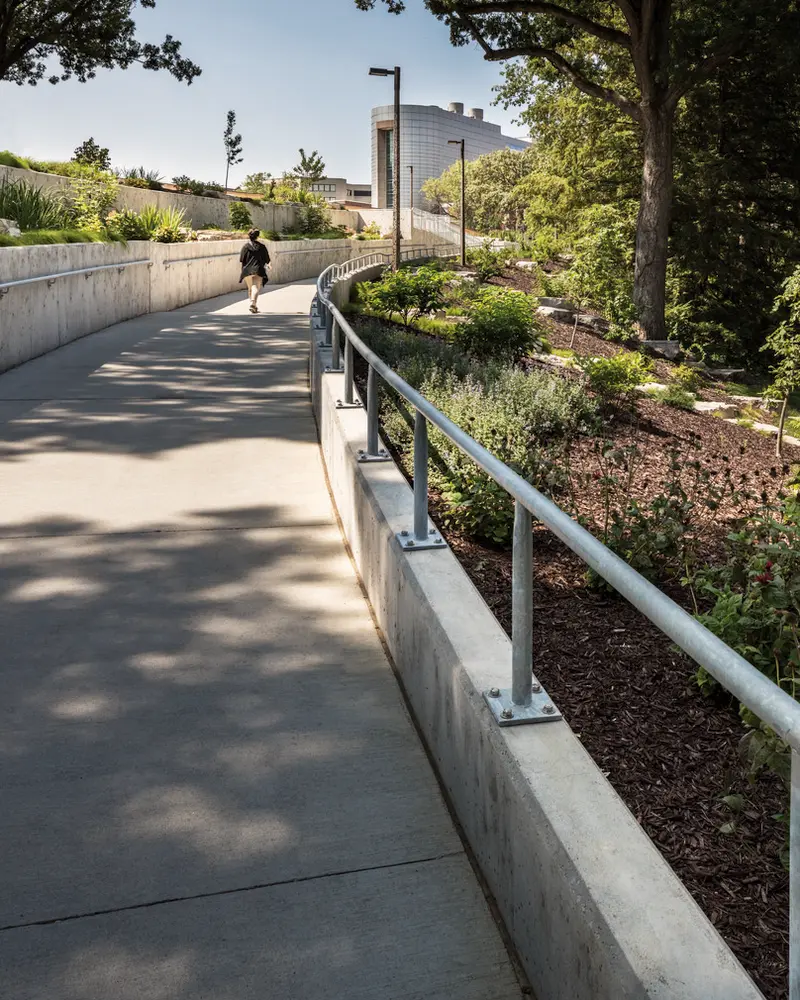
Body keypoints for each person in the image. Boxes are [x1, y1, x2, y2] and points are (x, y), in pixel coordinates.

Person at [239, 229, 270, 313]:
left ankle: (254, 306)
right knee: (255, 287)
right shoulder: (262, 247)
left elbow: (242, 260)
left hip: (247, 270)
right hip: (258, 270)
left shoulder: (245, 247)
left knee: (250, 288)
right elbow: (267, 259)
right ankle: (253, 303)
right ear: (257, 236)